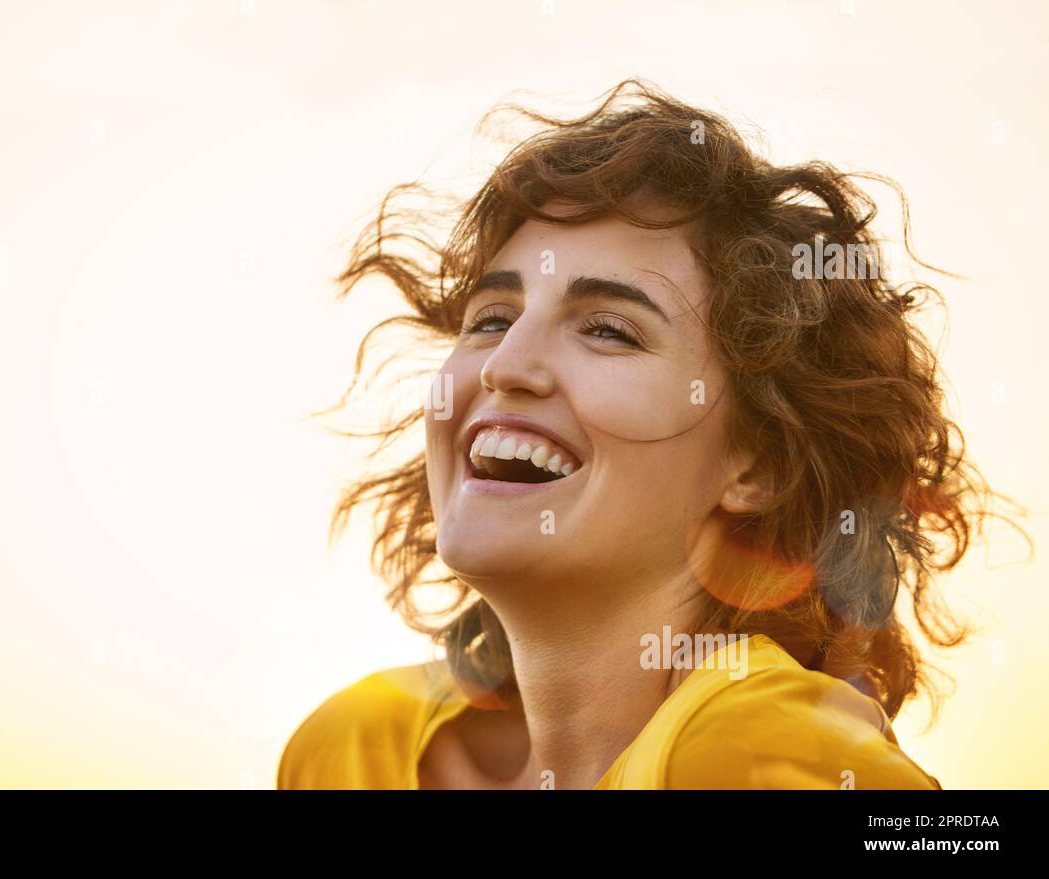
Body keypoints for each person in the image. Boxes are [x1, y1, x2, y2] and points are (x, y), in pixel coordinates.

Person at [278, 79, 1012, 789]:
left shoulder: (761, 750)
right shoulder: (352, 747)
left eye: (607, 330)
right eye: (491, 319)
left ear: (757, 463)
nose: (505, 365)